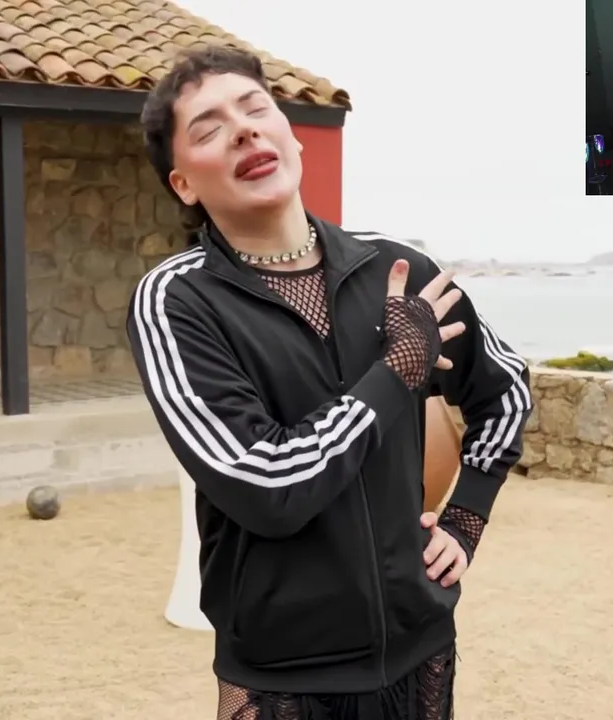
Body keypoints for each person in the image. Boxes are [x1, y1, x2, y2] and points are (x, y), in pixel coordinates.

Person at [128, 45, 532, 720]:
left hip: (420, 646)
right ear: (184, 184)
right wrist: (396, 371)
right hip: (281, 674)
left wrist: (466, 518)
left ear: (291, 137)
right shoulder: (178, 300)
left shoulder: (396, 271)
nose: (244, 130)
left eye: (256, 109)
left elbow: (507, 391)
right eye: (209, 129)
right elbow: (268, 486)